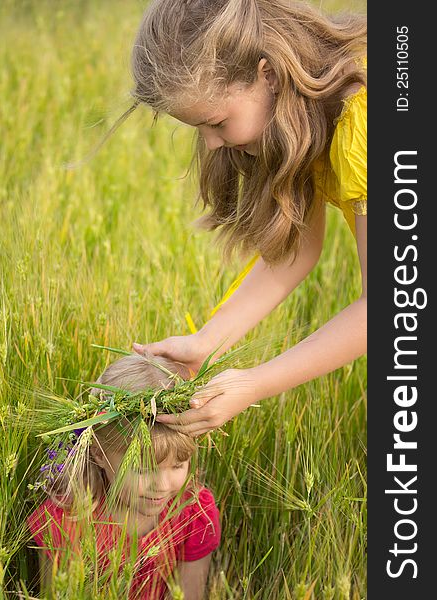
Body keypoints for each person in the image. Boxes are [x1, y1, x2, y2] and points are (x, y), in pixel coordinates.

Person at [120, 0, 368, 437]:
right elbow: (297, 251)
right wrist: (206, 342)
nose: (212, 144)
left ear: (266, 73)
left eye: (215, 122)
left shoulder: (366, 122)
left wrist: (253, 384)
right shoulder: (304, 115)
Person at [27, 354, 221, 599]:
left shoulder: (195, 513)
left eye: (178, 465)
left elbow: (189, 594)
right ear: (98, 453)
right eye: (143, 469)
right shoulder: (64, 522)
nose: (161, 486)